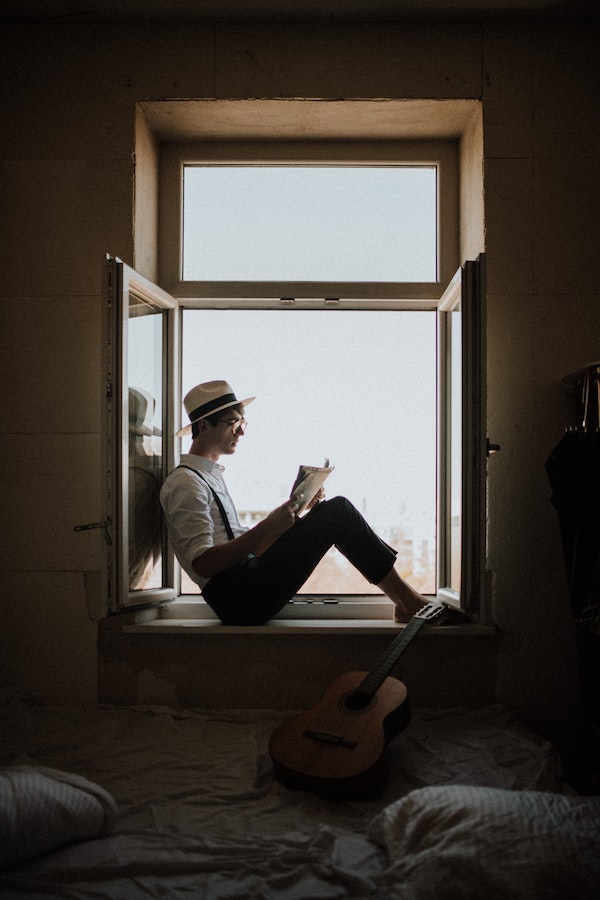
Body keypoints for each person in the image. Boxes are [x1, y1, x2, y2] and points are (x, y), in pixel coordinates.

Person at [160, 379, 432, 626]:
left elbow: (250, 550)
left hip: (245, 585)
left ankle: (406, 602)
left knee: (330, 512)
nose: (241, 432)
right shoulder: (186, 483)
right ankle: (408, 603)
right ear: (204, 425)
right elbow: (203, 564)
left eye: (243, 423)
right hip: (237, 599)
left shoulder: (210, 477)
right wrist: (268, 525)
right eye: (233, 423)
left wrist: (295, 516)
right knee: (338, 512)